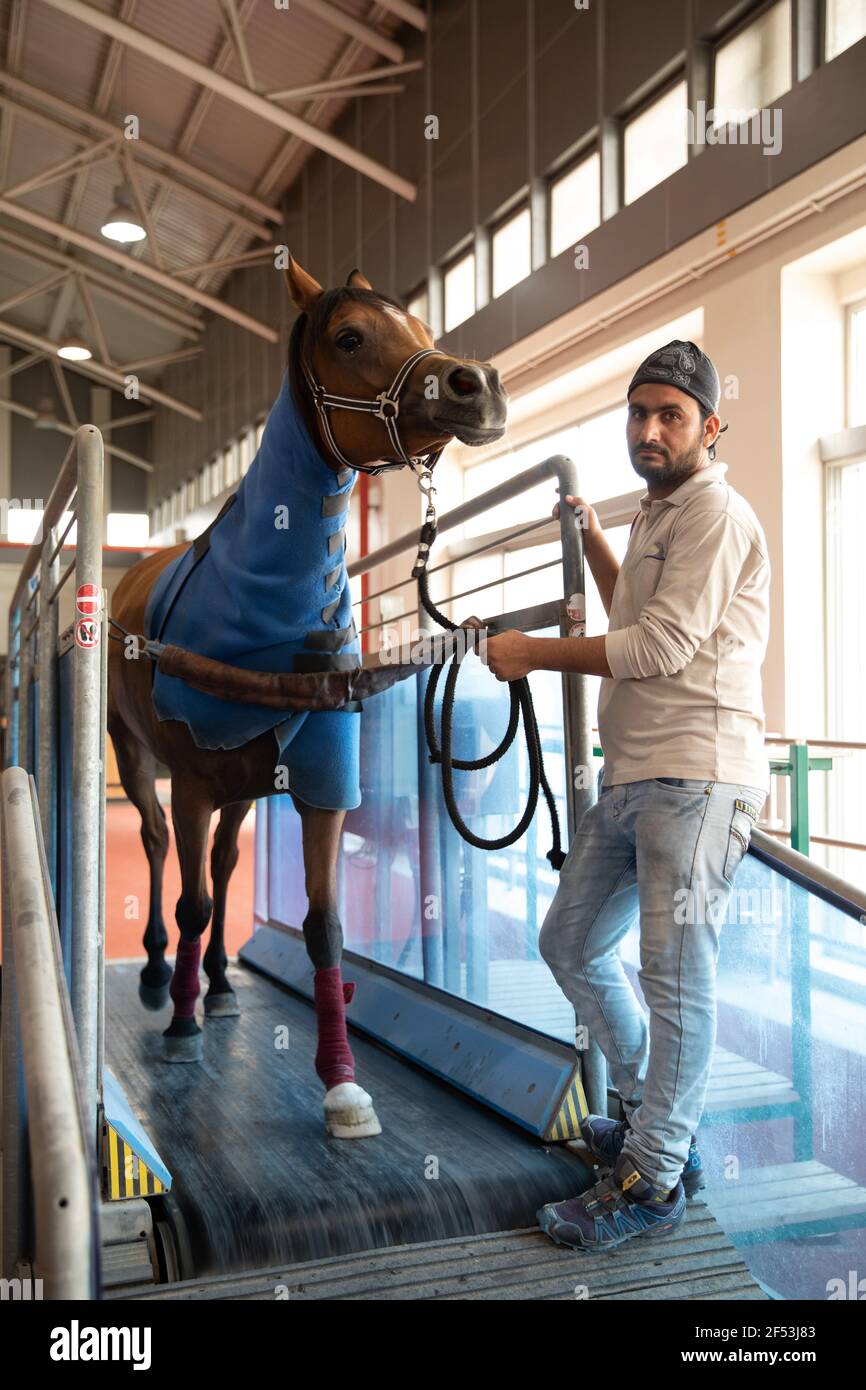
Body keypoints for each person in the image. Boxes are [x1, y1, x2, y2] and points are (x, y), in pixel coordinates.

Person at [481, 340, 770, 1252]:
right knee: (568, 942)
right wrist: (602, 544)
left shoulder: (717, 512)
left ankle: (653, 1175)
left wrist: (528, 655)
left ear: (710, 428)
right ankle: (656, 1119)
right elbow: (635, 620)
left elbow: (655, 652)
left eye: (670, 415)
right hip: (637, 776)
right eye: (639, 413)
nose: (649, 429)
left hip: (704, 780)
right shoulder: (657, 513)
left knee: (676, 978)